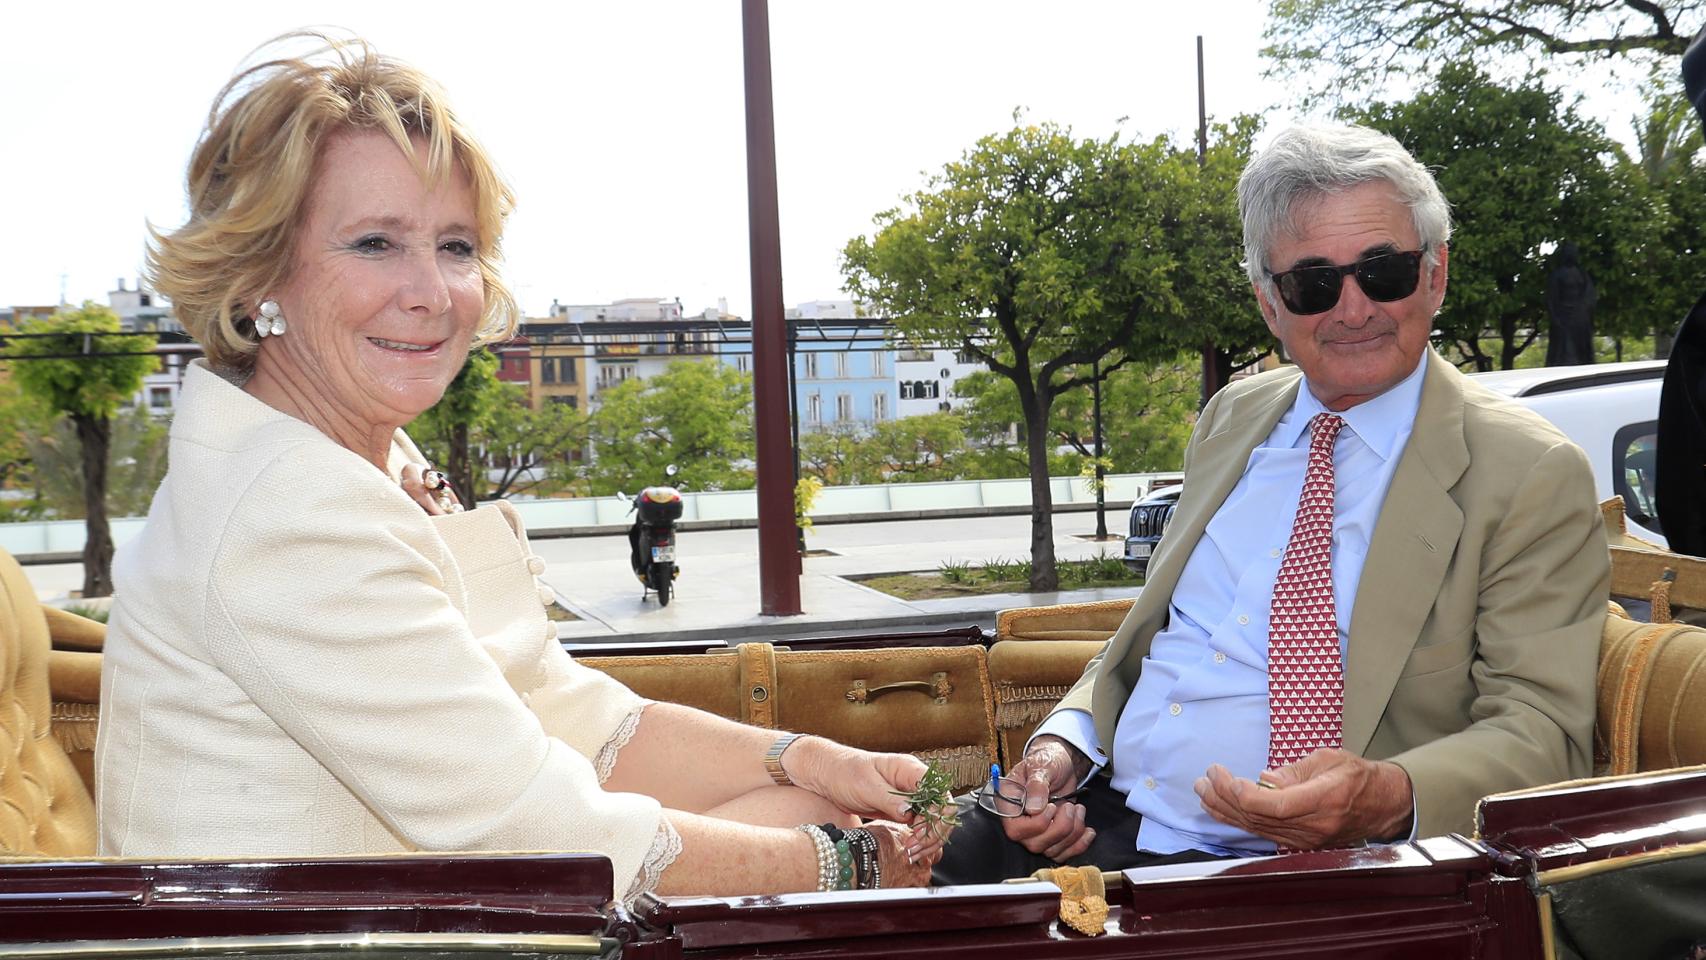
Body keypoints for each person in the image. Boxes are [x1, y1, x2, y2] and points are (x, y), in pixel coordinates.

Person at [97, 32, 943, 901]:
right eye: (376, 243)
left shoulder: (362, 455)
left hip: (418, 908)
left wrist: (809, 757)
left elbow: (555, 702)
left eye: (456, 246)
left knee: (801, 800)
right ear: (254, 275)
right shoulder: (284, 509)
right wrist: (850, 859)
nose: (433, 292)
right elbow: (537, 836)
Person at [934, 124, 1609, 884]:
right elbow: (1156, 638)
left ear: (1435, 275)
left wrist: (1391, 796)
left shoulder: (1528, 471)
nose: (1354, 309)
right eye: (1313, 284)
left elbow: (1546, 732)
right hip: (1091, 823)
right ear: (1269, 304)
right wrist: (1064, 745)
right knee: (843, 872)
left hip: (1284, 877)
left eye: (1383, 271)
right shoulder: (1233, 417)